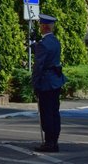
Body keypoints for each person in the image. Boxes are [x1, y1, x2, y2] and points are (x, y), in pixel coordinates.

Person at [32, 14, 67, 152]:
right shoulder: (55, 41)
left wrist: (35, 84)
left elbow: (38, 66)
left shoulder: (44, 44)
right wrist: (36, 45)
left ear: (44, 26)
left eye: (41, 25)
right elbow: (48, 55)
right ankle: (54, 141)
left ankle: (48, 143)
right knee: (54, 112)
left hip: (45, 83)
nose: (40, 27)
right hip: (56, 81)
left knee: (46, 113)